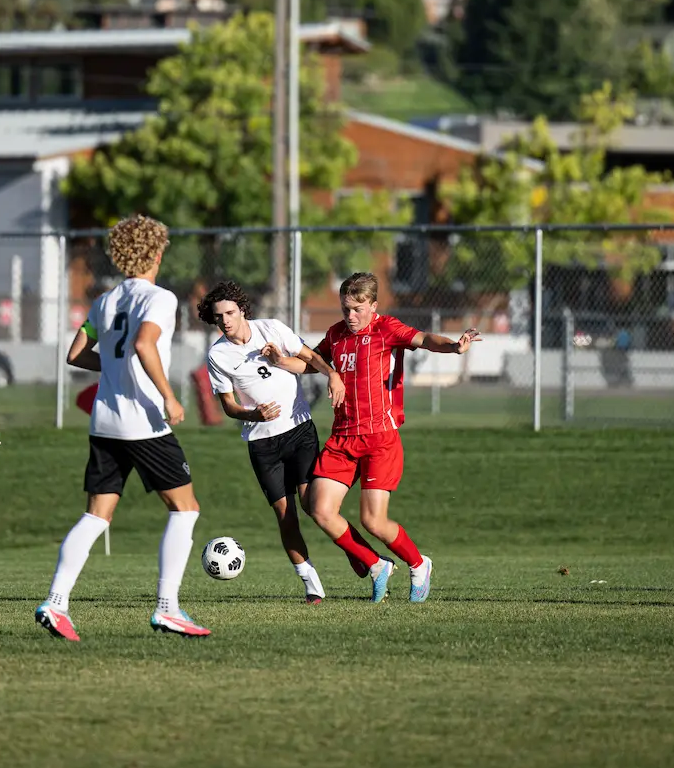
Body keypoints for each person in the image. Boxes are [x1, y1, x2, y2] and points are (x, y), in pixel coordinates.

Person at [34, 214, 209, 642]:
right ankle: (167, 608)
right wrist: (168, 396)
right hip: (143, 422)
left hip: (105, 422)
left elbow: (77, 354)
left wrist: (114, 368)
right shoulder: (160, 298)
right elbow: (144, 343)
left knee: (96, 515)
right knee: (185, 509)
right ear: (156, 253)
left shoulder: (104, 301)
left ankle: (56, 602)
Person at [294, 272, 480, 604]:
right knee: (320, 510)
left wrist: (454, 346)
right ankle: (377, 565)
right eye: (346, 308)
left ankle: (419, 564)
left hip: (379, 438)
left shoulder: (387, 329)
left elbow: (425, 339)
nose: (351, 315)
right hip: (343, 438)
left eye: (357, 309)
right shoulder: (336, 334)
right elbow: (313, 362)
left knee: (373, 520)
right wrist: (277, 360)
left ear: (373, 306)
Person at [198, 280, 344, 603]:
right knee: (285, 515)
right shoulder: (218, 355)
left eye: (230, 313)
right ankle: (312, 585)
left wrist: (331, 374)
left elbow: (311, 357)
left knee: (313, 505)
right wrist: (254, 415)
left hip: (298, 429)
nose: (225, 320)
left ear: (242, 309)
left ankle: (361, 556)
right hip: (262, 443)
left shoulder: (272, 329)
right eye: (218, 316)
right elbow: (228, 406)